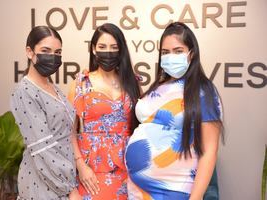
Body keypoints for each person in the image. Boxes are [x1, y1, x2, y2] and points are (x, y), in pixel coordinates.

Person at [125, 22, 224, 200]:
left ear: (191, 54)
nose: (171, 57)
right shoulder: (159, 86)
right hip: (138, 190)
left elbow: (210, 150)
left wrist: (196, 197)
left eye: (178, 51)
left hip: (175, 189)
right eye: (165, 52)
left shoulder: (203, 90)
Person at [68, 23, 140, 200]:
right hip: (91, 170)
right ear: (93, 49)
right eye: (102, 47)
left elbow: (140, 126)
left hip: (127, 169)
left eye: (114, 48)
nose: (108, 52)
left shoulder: (133, 82)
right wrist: (81, 167)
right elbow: (68, 131)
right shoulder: (81, 83)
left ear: (121, 50)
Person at [10, 26, 81, 200]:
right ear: (29, 52)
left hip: (63, 180)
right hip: (44, 182)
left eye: (58, 52)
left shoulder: (53, 88)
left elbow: (67, 132)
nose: (52, 57)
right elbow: (42, 148)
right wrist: (69, 188)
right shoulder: (24, 91)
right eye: (45, 50)